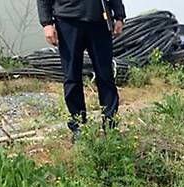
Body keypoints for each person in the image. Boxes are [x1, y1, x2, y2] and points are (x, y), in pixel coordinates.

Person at [36, 0, 126, 138]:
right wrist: (47, 23)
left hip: (99, 22)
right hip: (67, 21)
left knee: (105, 76)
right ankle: (79, 127)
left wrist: (119, 16)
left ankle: (110, 126)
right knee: (71, 77)